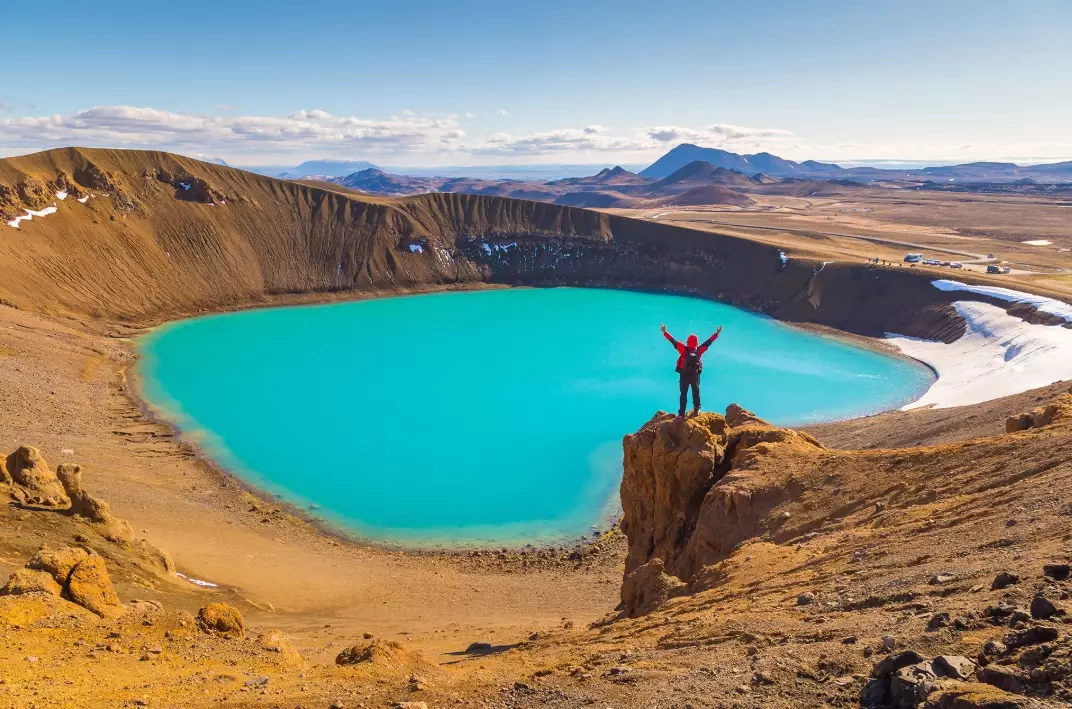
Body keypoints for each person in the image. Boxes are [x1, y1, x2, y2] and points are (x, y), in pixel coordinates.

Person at [660, 323, 723, 419]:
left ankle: (681, 414)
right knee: (696, 392)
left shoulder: (682, 349)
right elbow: (708, 342)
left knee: (683, 393)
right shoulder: (699, 350)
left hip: (684, 374)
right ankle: (696, 410)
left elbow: (673, 341)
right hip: (695, 375)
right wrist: (717, 333)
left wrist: (665, 332)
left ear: (687, 341)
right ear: (697, 343)